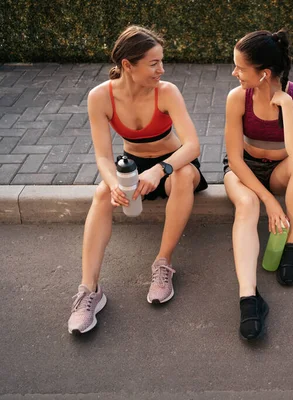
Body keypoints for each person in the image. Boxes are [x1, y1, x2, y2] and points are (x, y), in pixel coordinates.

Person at [67, 25, 208, 335]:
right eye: (154, 63)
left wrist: (161, 169)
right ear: (128, 65)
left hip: (174, 165)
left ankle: (163, 265)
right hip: (134, 167)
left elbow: (193, 146)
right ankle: (89, 290)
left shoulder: (167, 91)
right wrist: (115, 184)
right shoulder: (100, 97)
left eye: (161, 61)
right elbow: (104, 157)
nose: (162, 69)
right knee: (102, 194)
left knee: (184, 175)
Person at [223, 29, 293, 340]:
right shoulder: (237, 98)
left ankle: (291, 247)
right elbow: (234, 159)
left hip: (279, 170)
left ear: (263, 74)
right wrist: (269, 201)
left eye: (240, 67)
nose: (234, 72)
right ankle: (249, 299)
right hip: (243, 172)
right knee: (248, 204)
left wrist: (286, 106)